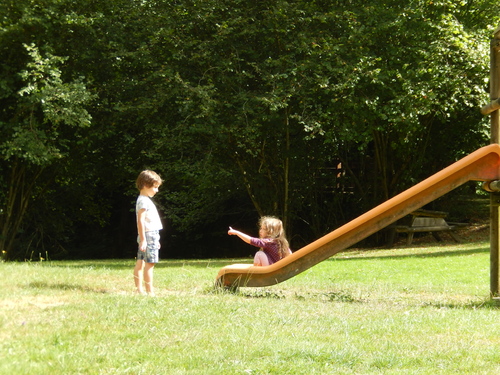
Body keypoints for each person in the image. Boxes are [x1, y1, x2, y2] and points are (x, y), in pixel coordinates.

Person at [133, 170, 163, 296]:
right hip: (149, 235)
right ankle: (150, 292)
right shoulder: (144, 201)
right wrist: (144, 240)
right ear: (145, 184)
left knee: (140, 262)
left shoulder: (142, 199)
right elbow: (140, 220)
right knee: (149, 264)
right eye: (155, 187)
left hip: (149, 235)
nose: (157, 190)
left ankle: (140, 290)